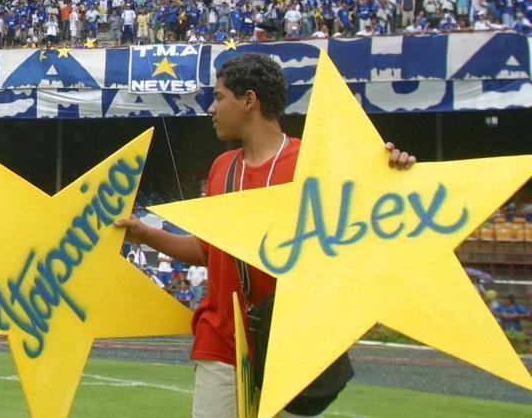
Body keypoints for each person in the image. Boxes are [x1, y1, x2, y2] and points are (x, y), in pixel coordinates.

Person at [116, 53, 416, 418]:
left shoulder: (315, 163)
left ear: (249, 100)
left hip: (293, 341)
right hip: (222, 340)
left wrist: (395, 176)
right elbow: (209, 251)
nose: (211, 108)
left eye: (219, 97)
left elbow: (369, 228)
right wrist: (146, 235)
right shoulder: (221, 168)